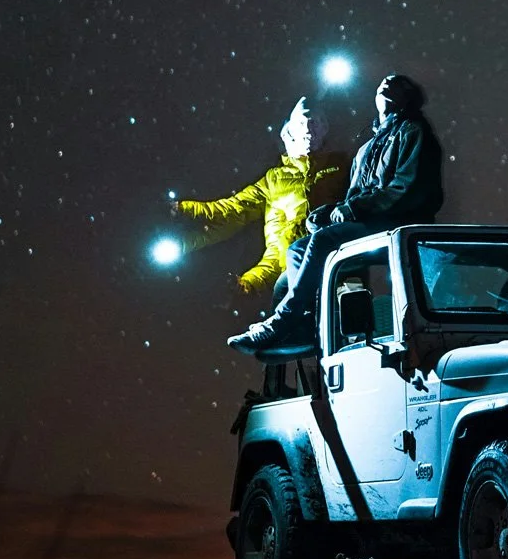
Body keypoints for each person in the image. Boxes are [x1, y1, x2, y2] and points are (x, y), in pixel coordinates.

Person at [227, 73, 443, 357]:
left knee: (322, 243)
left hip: (398, 222)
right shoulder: (367, 147)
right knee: (297, 249)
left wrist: (353, 210)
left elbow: (407, 189)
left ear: (409, 97)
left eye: (397, 84)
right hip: (370, 221)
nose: (387, 85)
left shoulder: (414, 132)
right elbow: (352, 197)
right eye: (383, 85)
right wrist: (327, 213)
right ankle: (305, 323)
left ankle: (284, 320)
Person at [172, 97, 342, 299]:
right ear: (290, 132)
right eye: (302, 122)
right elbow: (234, 211)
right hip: (294, 279)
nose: (308, 129)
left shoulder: (342, 168)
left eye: (315, 122)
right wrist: (182, 210)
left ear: (325, 129)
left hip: (338, 271)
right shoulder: (273, 181)